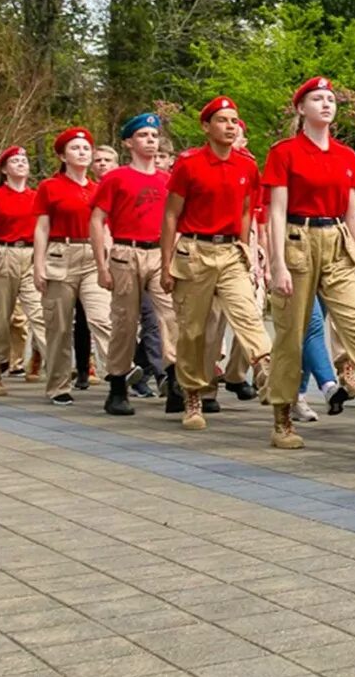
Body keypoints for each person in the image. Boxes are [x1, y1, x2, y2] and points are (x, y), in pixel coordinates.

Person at [263, 77, 355, 451]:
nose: (326, 104)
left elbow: (352, 210)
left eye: (330, 99)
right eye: (316, 98)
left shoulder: (346, 155)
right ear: (301, 108)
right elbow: (276, 211)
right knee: (291, 332)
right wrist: (277, 265)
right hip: (297, 240)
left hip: (337, 241)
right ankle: (282, 414)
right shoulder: (284, 152)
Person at [160, 97, 273, 430]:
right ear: (206, 127)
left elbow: (246, 210)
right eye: (222, 120)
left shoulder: (247, 166)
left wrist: (244, 248)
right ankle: (193, 394)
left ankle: (266, 368)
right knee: (193, 330)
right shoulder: (189, 164)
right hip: (194, 251)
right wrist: (166, 263)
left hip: (230, 252)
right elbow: (170, 215)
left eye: (234, 120)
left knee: (248, 313)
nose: (230, 126)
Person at [90, 114, 174, 416]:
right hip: (126, 251)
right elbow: (97, 220)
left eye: (154, 135)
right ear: (128, 142)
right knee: (125, 321)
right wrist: (101, 265)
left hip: (158, 252)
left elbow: (174, 220)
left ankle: (174, 379)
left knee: (170, 315)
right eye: (143, 136)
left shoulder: (168, 180)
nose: (150, 140)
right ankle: (117, 384)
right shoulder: (116, 178)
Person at [34, 128, 108, 406]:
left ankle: (116, 369)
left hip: (91, 254)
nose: (82, 153)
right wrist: (38, 264)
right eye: (75, 148)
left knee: (101, 315)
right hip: (60, 253)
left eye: (87, 148)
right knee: (59, 324)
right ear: (62, 155)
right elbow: (42, 227)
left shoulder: (97, 188)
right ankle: (58, 385)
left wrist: (106, 260)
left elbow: (105, 225)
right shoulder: (49, 187)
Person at [0, 147, 44, 394]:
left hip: (31, 254)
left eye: (24, 160)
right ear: (4, 169)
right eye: (14, 161)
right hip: (3, 254)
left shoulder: (37, 196)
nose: (21, 164)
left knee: (39, 313)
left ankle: (54, 364)